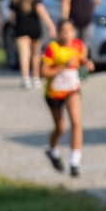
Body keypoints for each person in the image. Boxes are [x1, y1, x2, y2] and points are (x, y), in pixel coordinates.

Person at [40, 18, 91, 176]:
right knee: (60, 128)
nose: (67, 34)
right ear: (58, 32)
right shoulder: (53, 49)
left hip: (72, 91)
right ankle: (52, 150)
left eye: (70, 31)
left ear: (74, 32)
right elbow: (44, 73)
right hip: (54, 93)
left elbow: (83, 66)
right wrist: (63, 67)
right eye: (63, 31)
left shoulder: (79, 46)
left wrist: (87, 67)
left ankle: (74, 163)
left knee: (76, 123)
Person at [8, 0, 53, 89]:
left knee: (24, 54)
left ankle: (25, 78)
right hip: (34, 28)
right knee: (36, 54)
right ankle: (36, 78)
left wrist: (15, 25)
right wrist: (50, 25)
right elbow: (41, 11)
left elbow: (12, 16)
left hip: (21, 28)